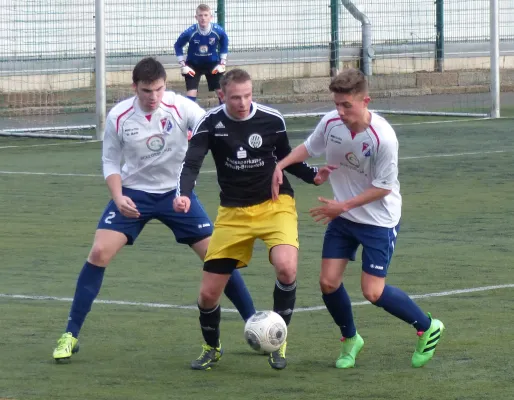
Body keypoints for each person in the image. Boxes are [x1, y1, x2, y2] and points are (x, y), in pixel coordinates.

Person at [51, 57, 255, 362]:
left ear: (165, 86)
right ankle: (70, 334)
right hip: (134, 195)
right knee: (98, 253)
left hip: (177, 194)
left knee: (218, 259)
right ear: (135, 87)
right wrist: (119, 197)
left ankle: (257, 324)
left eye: (159, 89)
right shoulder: (119, 116)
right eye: (147, 90)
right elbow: (110, 161)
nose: (154, 97)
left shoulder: (180, 107)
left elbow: (212, 127)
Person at [272, 68, 445, 369]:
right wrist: (282, 164)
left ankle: (427, 326)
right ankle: (350, 339)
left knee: (373, 291)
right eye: (336, 104)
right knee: (328, 282)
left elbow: (383, 187)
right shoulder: (330, 123)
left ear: (365, 100)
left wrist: (343, 206)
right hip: (344, 216)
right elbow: (308, 148)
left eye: (346, 105)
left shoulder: (383, 138)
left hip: (379, 220)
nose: (339, 111)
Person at [173, 68, 333, 371]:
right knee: (208, 294)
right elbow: (192, 162)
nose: (243, 102)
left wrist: (313, 176)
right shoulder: (210, 122)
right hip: (233, 213)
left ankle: (278, 340)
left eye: (247, 95)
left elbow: (286, 157)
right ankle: (211, 347)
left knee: (286, 267)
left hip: (275, 205)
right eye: (235, 97)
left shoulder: (272, 120)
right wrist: (183, 193)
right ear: (222, 95)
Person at [174, 4, 228, 105]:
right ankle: (190, 118)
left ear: (211, 17)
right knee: (191, 94)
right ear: (196, 17)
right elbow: (177, 46)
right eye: (200, 15)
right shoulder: (190, 32)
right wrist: (183, 65)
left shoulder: (218, 31)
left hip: (212, 64)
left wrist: (222, 63)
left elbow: (224, 44)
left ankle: (224, 115)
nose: (203, 18)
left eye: (206, 15)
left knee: (222, 94)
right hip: (193, 65)